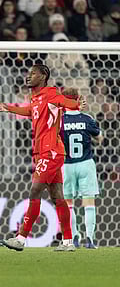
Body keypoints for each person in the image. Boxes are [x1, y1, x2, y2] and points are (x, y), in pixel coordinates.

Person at [0, 64, 86, 252]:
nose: (28, 77)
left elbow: (64, 102)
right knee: (57, 197)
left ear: (43, 76)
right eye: (28, 74)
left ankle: (20, 238)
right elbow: (31, 111)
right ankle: (68, 242)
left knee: (35, 191)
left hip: (50, 151)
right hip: (42, 152)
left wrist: (76, 105)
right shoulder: (35, 98)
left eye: (33, 74)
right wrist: (8, 108)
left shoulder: (51, 93)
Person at [62, 87, 103, 249]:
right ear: (78, 99)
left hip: (66, 165)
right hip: (86, 163)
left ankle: (74, 237)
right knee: (89, 202)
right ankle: (90, 240)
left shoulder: (59, 120)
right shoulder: (86, 118)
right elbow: (99, 138)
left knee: (69, 203)